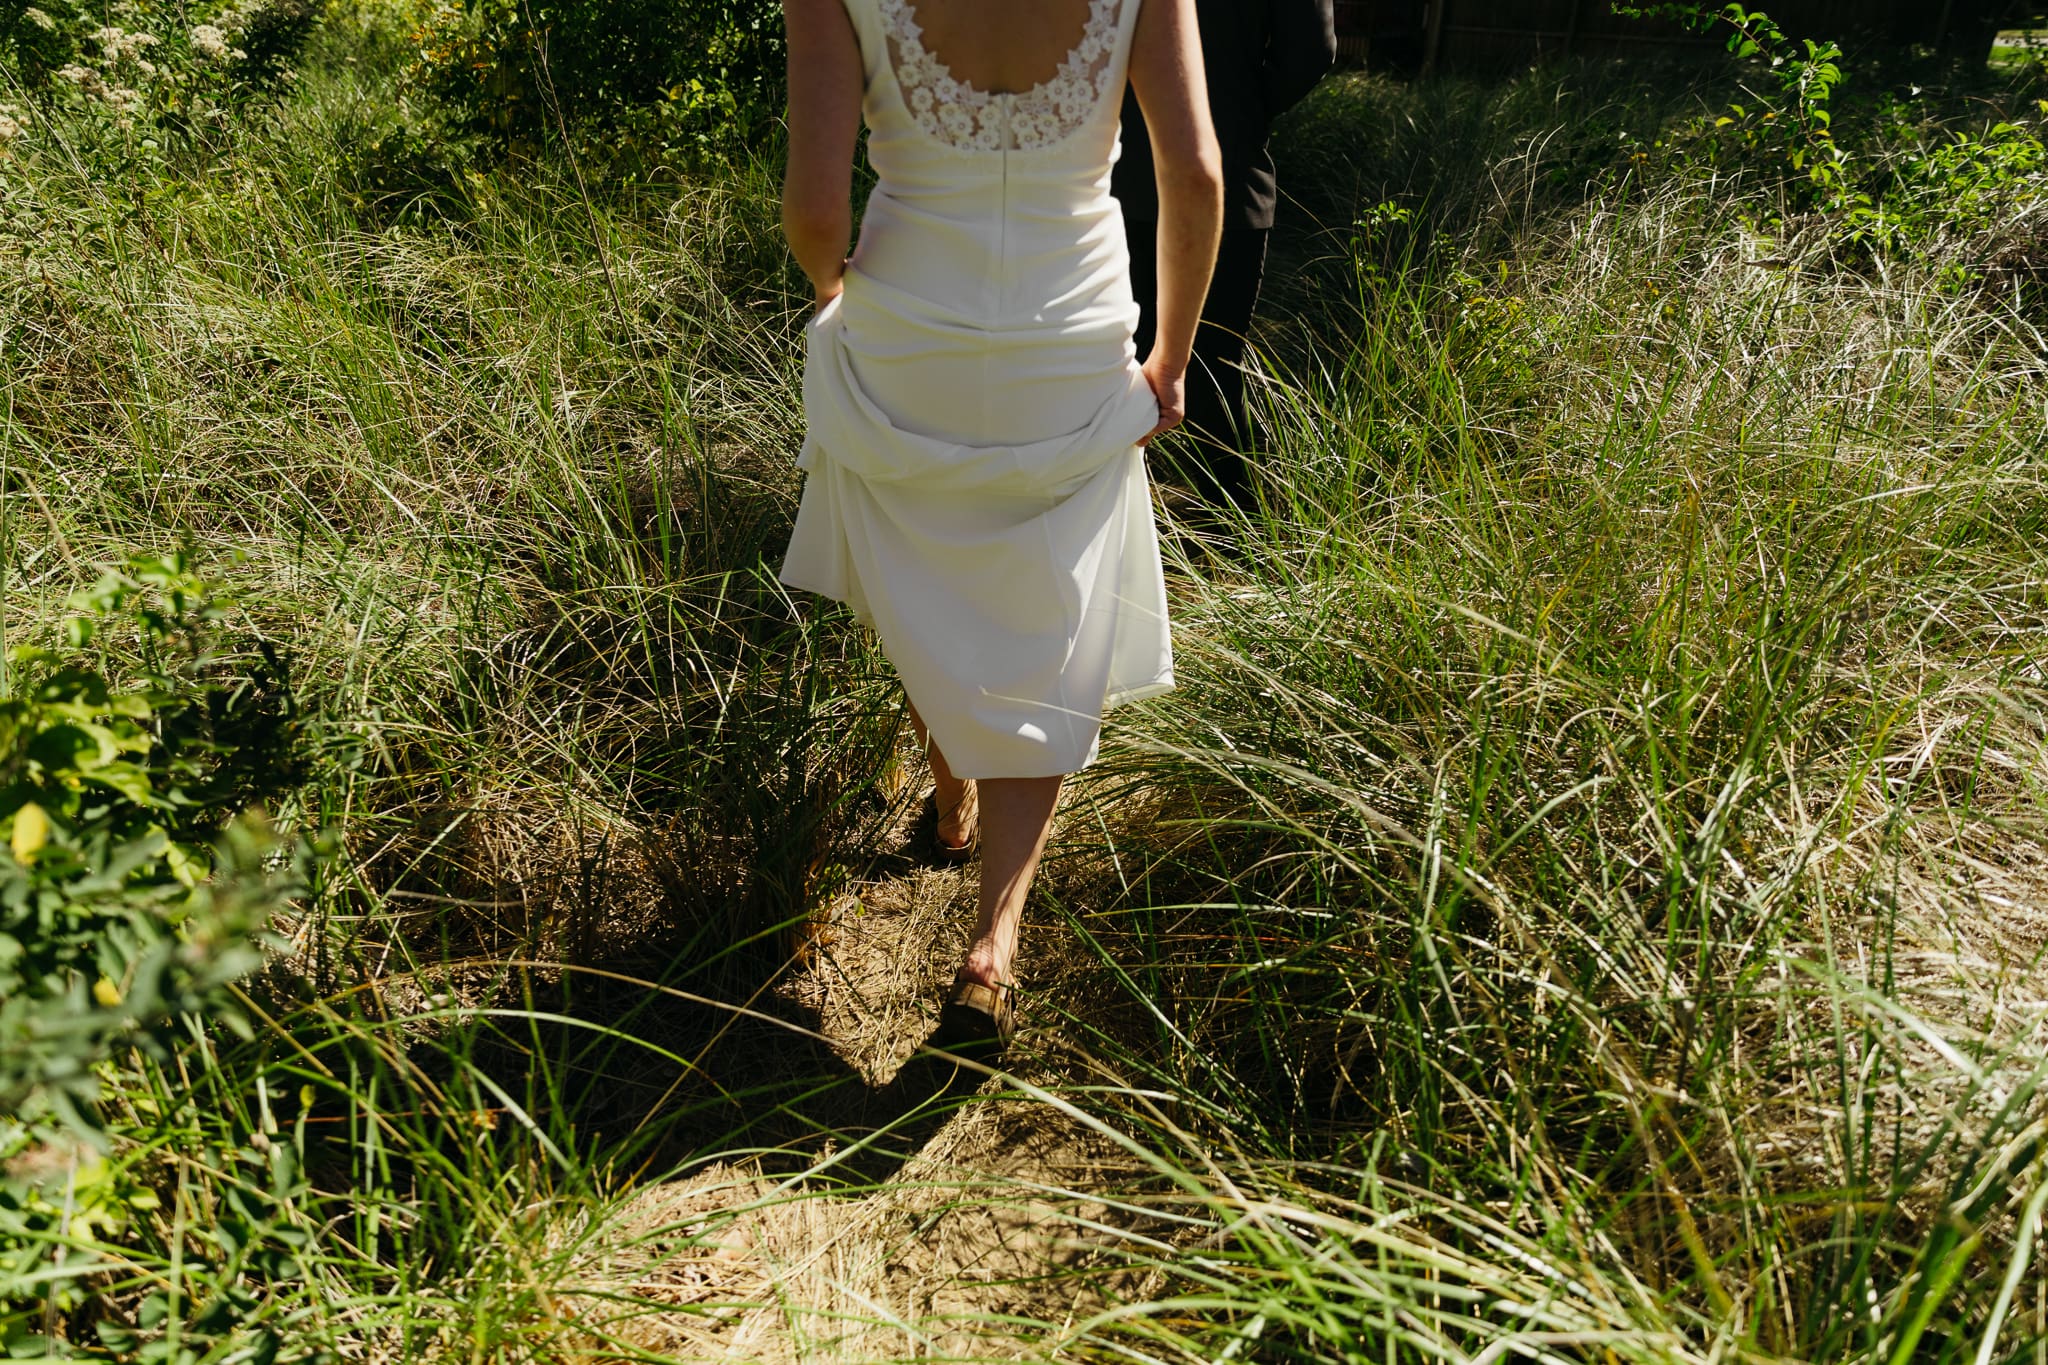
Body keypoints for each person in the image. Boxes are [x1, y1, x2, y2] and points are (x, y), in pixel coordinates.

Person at [777, 0, 1225, 1052]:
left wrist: (831, 293)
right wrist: (1170, 357)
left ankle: (948, 804)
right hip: (1066, 337)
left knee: (923, 575)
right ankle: (992, 945)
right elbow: (1196, 174)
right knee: (1043, 620)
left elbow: (814, 206)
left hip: (909, 329)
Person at [1113, 0, 1335, 510]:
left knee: (1111, 354)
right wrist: (1241, 108)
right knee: (1214, 366)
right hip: (1226, 167)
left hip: (1116, 168)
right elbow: (1310, 50)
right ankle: (1234, 525)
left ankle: (1114, 514)